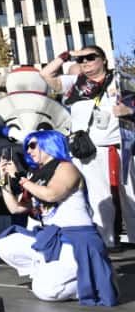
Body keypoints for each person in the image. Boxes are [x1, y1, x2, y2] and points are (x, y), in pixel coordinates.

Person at [0, 130, 117, 305]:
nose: (28, 150)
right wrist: (3, 179)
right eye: (27, 146)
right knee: (5, 245)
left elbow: (51, 195)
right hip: (51, 239)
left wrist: (21, 178)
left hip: (75, 241)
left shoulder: (67, 167)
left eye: (33, 145)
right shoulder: (37, 175)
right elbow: (16, 208)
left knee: (45, 291)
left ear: (48, 144)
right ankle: (46, 273)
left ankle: (88, 282)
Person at [40, 45, 135, 249]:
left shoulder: (122, 80)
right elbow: (46, 73)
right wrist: (66, 56)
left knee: (130, 195)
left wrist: (128, 110)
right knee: (98, 196)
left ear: (103, 59)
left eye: (91, 58)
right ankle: (107, 240)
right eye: (81, 60)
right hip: (87, 150)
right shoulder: (75, 84)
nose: (85, 63)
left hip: (119, 146)